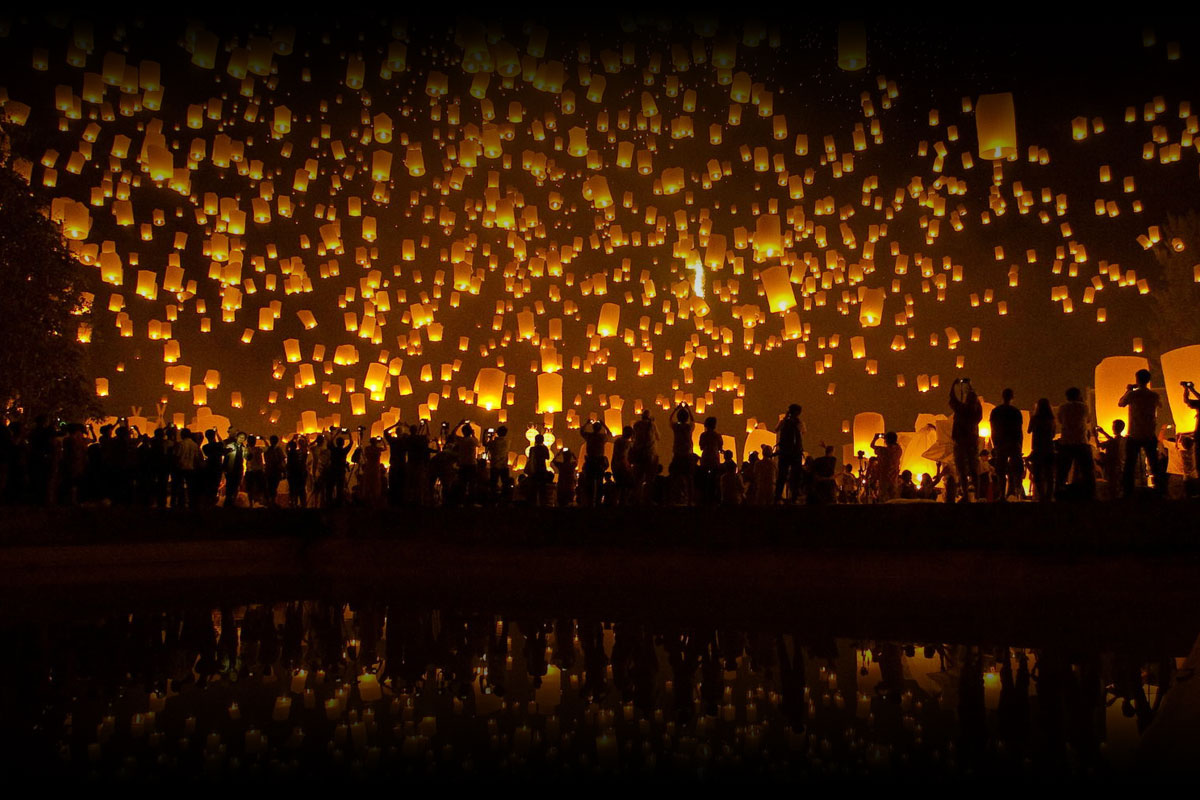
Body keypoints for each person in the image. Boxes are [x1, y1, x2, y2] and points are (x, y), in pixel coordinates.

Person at [1118, 369, 1163, 497]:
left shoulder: (1133, 395)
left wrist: (1128, 390)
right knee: (1154, 463)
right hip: (1149, 433)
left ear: (1137, 379)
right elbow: (1160, 405)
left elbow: (1121, 403)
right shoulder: (1154, 395)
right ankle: (1160, 489)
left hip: (1134, 434)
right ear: (1148, 380)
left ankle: (1128, 491)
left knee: (1130, 464)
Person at [1056, 387, 1094, 499]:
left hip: (1066, 441)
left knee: (1062, 471)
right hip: (1081, 440)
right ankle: (1090, 494)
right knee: (1087, 470)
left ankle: (1059, 493)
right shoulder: (1084, 407)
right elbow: (1088, 420)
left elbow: (1060, 421)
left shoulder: (1062, 407)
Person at [948, 379, 982, 501]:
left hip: (960, 442)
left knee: (962, 469)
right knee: (973, 469)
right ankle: (977, 495)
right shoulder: (977, 412)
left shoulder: (961, 409)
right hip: (972, 443)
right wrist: (971, 386)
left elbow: (952, 399)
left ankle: (966, 495)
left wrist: (954, 385)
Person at [989, 388, 1024, 501]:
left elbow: (993, 429)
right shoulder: (1016, 412)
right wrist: (1020, 444)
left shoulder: (996, 411)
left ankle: (1002, 495)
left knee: (1001, 470)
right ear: (1012, 397)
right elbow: (1019, 430)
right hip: (1014, 442)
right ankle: (1015, 493)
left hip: (1001, 443)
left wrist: (995, 444)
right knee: (1016, 469)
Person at [774, 404, 804, 503]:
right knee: (795, 475)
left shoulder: (784, 422)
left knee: (782, 475)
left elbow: (776, 429)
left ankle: (778, 497)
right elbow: (802, 432)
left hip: (784, 452)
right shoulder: (798, 423)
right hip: (795, 452)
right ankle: (793, 496)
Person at [667, 403, 696, 505]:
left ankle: (672, 498)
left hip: (677, 454)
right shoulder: (688, 427)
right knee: (689, 478)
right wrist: (689, 410)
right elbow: (693, 421)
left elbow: (670, 420)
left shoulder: (676, 427)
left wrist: (675, 409)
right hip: (687, 454)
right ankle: (690, 500)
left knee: (674, 477)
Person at [1027, 399, 1055, 502]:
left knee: (1037, 474)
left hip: (1037, 448)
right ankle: (1049, 496)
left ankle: (1041, 496)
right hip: (1048, 447)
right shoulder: (1051, 419)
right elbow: (1052, 434)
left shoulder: (1035, 418)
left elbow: (1029, 430)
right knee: (1049, 474)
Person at [579, 420, 610, 507]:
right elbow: (610, 434)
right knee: (599, 482)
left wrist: (586, 423)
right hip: (598, 462)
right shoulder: (602, 437)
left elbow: (581, 432)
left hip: (591, 461)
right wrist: (604, 424)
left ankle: (590, 501)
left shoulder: (589, 436)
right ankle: (598, 501)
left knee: (590, 482)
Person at [1095, 420, 1126, 500]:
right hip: (1118, 467)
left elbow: (1100, 445)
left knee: (1111, 485)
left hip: (1111, 466)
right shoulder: (1123, 440)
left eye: (1114, 426)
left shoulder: (1114, 441)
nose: (1113, 428)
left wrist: (1097, 435)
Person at [697, 417, 723, 506]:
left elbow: (701, 447)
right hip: (715, 458)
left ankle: (704, 499)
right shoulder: (717, 436)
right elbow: (720, 447)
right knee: (714, 479)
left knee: (704, 479)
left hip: (705, 458)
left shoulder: (703, 435)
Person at [871, 432, 902, 501]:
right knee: (893, 498)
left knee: (883, 497)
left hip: (884, 478)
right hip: (894, 478)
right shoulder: (898, 450)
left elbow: (872, 445)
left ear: (886, 440)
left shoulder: (883, 450)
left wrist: (875, 438)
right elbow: (897, 445)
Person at [484, 425, 510, 504]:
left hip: (495, 465)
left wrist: (485, 434)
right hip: (504, 465)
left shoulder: (494, 442)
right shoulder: (507, 441)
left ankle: (493, 500)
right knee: (505, 484)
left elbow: (485, 444)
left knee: (493, 484)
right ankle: (505, 500)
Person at [525, 433, 552, 506]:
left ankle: (533, 504)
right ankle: (542, 504)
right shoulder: (544, 448)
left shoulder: (532, 449)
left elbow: (530, 458)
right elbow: (548, 457)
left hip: (534, 470)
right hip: (542, 469)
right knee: (542, 489)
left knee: (533, 488)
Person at [222, 430, 247, 508]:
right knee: (229, 486)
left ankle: (232, 502)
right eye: (240, 437)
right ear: (236, 437)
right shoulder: (230, 446)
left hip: (238, 469)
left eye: (243, 438)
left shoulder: (243, 448)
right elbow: (226, 457)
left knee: (236, 486)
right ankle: (228, 502)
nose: (241, 439)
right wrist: (224, 468)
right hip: (231, 469)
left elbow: (246, 457)